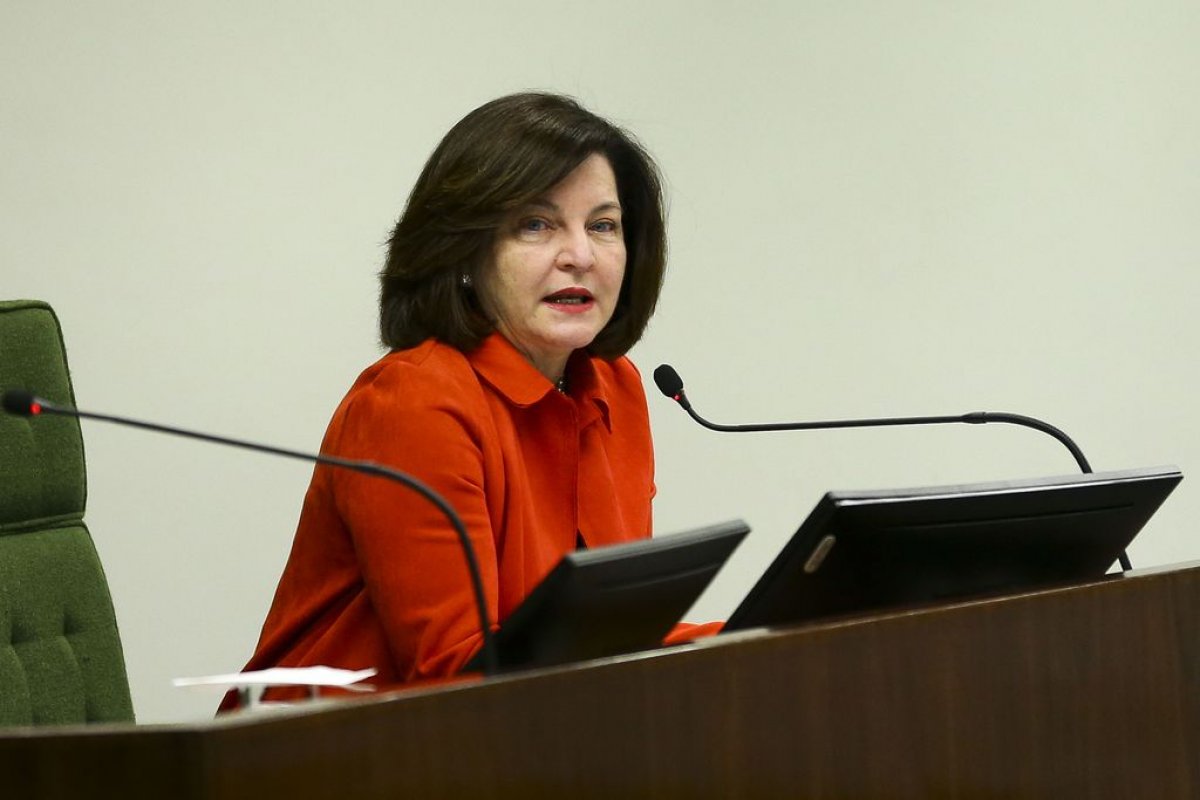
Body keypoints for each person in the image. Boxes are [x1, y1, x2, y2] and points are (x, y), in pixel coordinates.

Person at [227, 92, 711, 705]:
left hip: (525, 732)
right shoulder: (414, 400)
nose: (580, 256)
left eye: (602, 225)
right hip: (331, 745)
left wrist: (768, 634)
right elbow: (454, 675)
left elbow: (607, 636)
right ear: (463, 250)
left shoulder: (614, 386)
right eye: (535, 224)